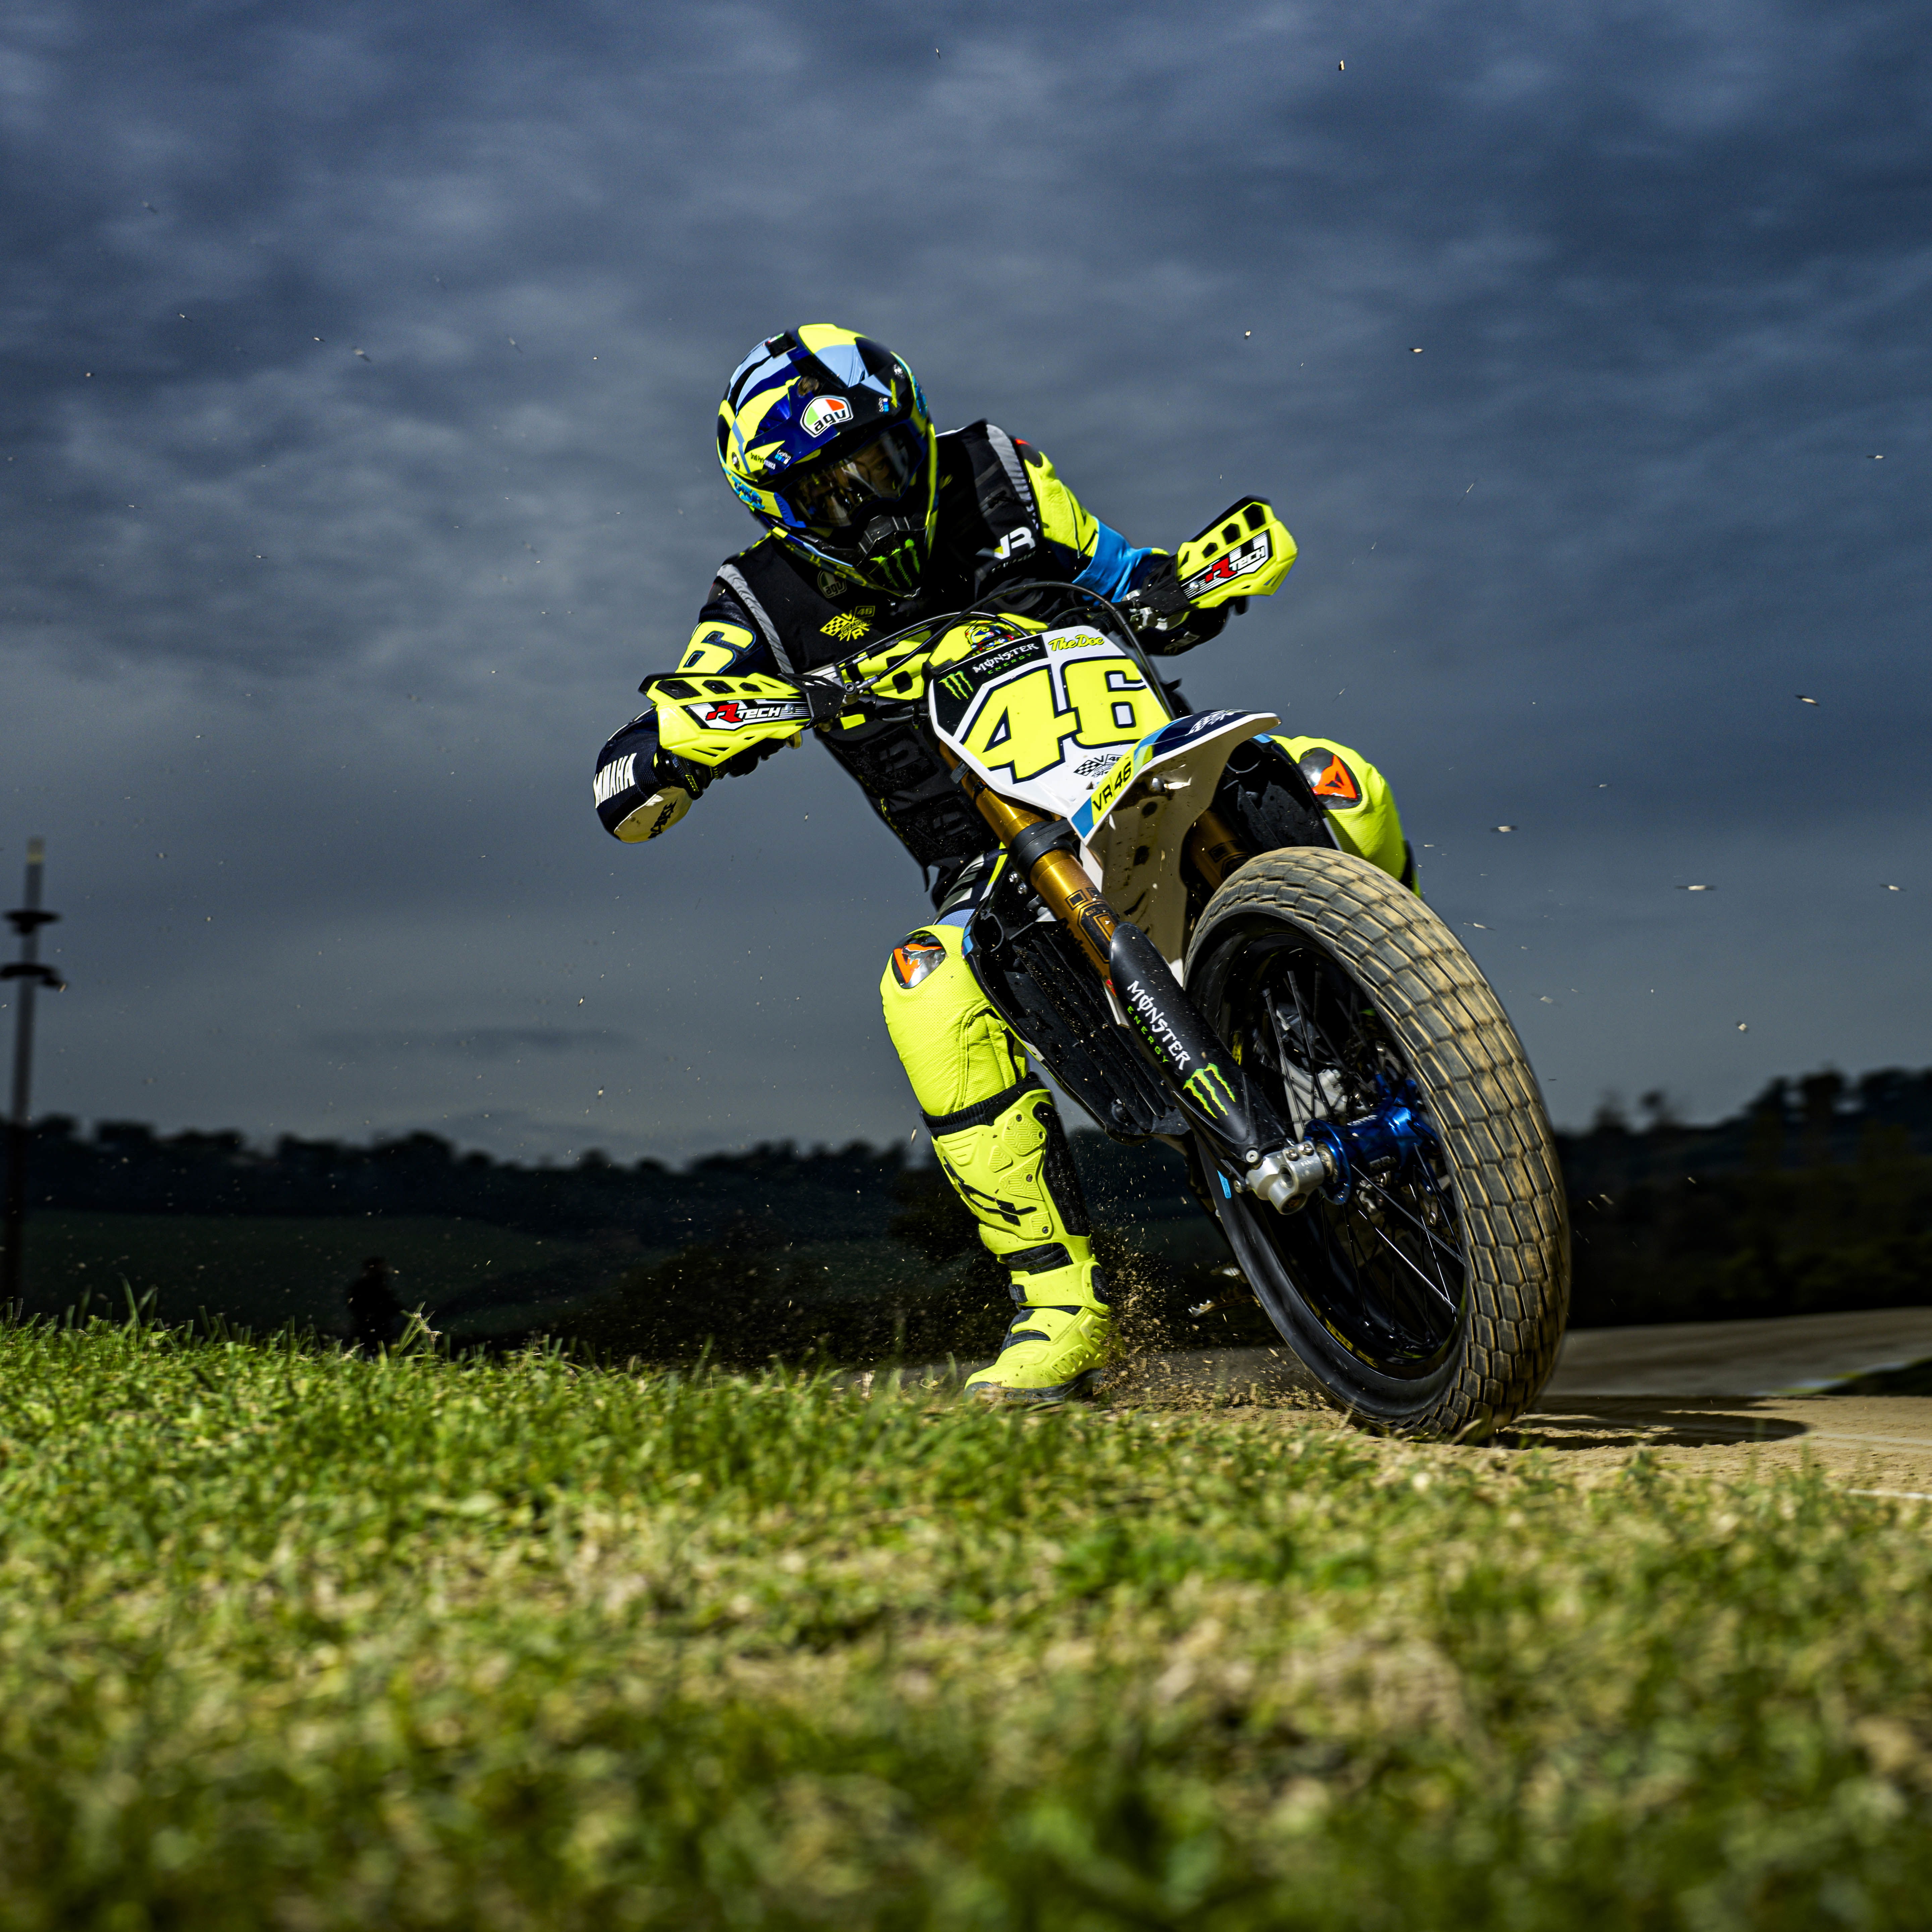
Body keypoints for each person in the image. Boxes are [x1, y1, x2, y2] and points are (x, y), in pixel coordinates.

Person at [593, 325, 1411, 1402]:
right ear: (778, 505)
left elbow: (1127, 572)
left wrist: (1178, 588)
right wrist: (667, 756)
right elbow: (645, 750)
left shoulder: (999, 475)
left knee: (1346, 779)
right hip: (994, 869)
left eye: (882, 462)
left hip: (1149, 770)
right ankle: (1064, 1308)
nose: (872, 500)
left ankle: (1399, 1039)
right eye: (833, 489)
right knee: (922, 991)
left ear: (916, 432)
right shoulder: (756, 604)